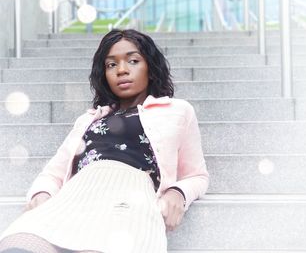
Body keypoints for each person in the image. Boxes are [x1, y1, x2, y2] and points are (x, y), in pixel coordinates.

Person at [0, 29, 209, 253]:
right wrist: (42, 194)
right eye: (111, 65)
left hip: (128, 205)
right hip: (73, 201)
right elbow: (52, 174)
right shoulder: (88, 119)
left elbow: (197, 175)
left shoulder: (177, 111)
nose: (121, 70)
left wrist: (177, 192)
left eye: (133, 60)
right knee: (17, 245)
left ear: (150, 67)